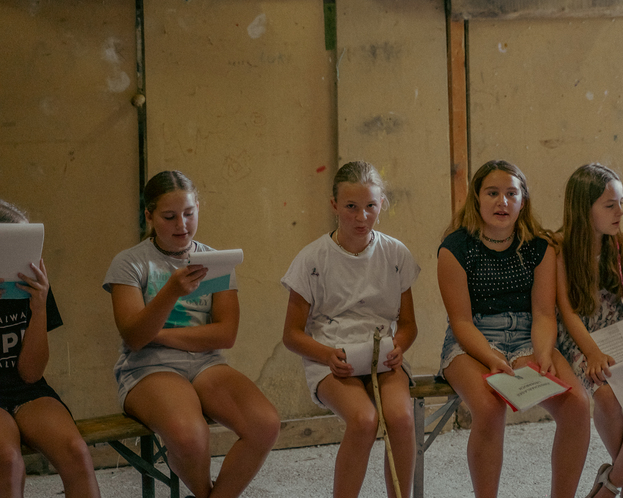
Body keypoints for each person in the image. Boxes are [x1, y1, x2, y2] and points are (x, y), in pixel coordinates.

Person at [103, 171, 279, 498]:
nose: (181, 225)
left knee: (265, 424)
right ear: (149, 216)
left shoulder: (214, 261)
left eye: (188, 213)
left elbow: (225, 335)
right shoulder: (130, 263)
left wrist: (159, 334)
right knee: (189, 436)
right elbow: (135, 338)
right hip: (148, 368)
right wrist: (171, 292)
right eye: (169, 217)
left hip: (205, 364)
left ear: (198, 207)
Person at [437, 160, 590, 498]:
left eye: (511, 193)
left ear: (523, 201)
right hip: (472, 341)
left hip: (527, 337)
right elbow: (461, 322)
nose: (502, 202)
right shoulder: (455, 248)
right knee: (490, 408)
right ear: (477, 198)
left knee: (577, 404)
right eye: (492, 193)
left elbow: (544, 314)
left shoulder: (539, 247)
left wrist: (544, 354)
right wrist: (491, 358)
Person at [282, 161, 419, 498]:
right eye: (351, 207)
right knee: (363, 420)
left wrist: (399, 346)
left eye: (370, 206)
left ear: (381, 203)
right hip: (331, 356)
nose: (362, 217)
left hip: (381, 355)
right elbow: (292, 335)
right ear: (334, 205)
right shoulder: (312, 259)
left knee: (401, 419)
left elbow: (408, 325)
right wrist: (328, 355)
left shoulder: (395, 253)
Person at [556, 163, 623, 498]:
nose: (620, 211)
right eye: (609, 205)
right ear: (583, 209)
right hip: (582, 339)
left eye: (621, 202)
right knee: (606, 396)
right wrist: (592, 352)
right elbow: (567, 312)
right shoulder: (558, 248)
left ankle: (612, 483)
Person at [0, 200, 101, 498]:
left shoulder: (31, 285)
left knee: (76, 452)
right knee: (7, 461)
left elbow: (31, 374)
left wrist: (39, 308)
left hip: (25, 390)